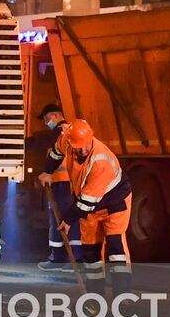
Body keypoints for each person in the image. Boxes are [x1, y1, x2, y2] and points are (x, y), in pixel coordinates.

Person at [42, 118, 132, 295]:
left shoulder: (100, 161)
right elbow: (55, 153)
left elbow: (85, 203)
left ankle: (123, 298)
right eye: (78, 147)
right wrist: (47, 171)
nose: (82, 150)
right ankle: (94, 296)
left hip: (114, 203)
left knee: (116, 249)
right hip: (89, 205)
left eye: (85, 145)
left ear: (92, 137)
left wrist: (67, 221)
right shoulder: (67, 141)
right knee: (90, 252)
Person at [32, 103, 78, 273]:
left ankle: (72, 259)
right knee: (58, 220)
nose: (46, 122)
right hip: (58, 183)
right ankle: (59, 258)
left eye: (46, 118)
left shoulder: (63, 131)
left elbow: (48, 144)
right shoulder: (58, 133)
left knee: (67, 219)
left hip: (65, 183)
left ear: (56, 115)